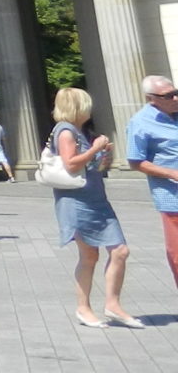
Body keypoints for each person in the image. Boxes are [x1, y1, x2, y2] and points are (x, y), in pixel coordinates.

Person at [48, 87, 141, 328]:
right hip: (77, 202)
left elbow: (92, 168)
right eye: (86, 104)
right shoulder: (65, 131)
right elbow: (70, 165)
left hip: (95, 199)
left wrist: (104, 156)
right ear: (77, 106)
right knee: (90, 255)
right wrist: (94, 149)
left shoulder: (80, 131)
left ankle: (112, 304)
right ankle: (84, 308)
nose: (90, 108)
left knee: (119, 251)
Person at [126, 74, 178, 292]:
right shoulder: (140, 122)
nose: (175, 98)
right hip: (173, 197)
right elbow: (136, 161)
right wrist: (172, 173)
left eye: (176, 92)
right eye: (169, 96)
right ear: (151, 98)